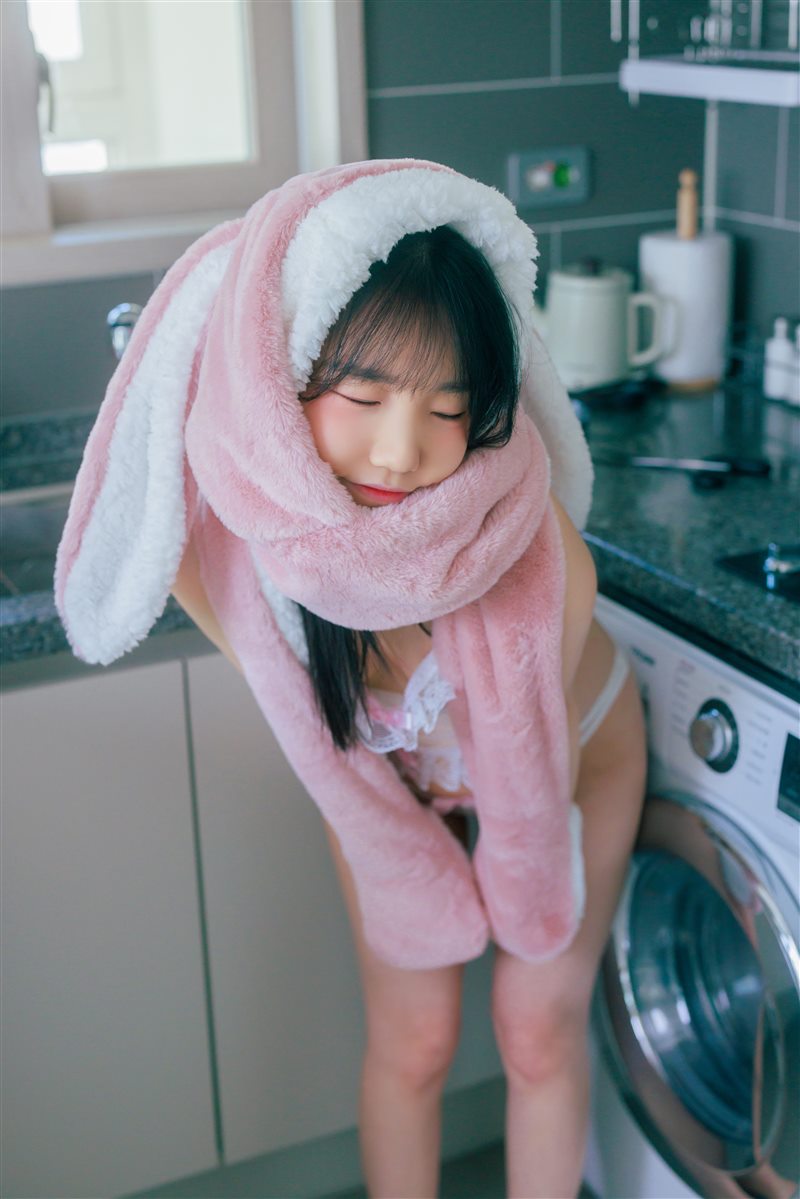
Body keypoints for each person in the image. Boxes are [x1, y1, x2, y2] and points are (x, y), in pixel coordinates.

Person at [56, 161, 648, 1199]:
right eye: (364, 396)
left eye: (447, 406)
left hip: (575, 754)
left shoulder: (525, 538)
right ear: (285, 387)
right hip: (390, 786)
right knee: (413, 1039)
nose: (400, 450)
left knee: (535, 1029)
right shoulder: (247, 555)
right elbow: (195, 494)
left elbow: (521, 743)